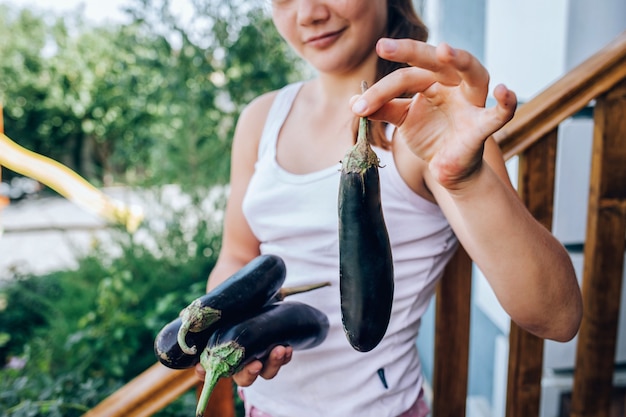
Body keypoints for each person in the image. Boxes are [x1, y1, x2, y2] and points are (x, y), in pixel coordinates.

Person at [196, 1, 583, 416]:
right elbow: (237, 256)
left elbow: (557, 317)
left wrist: (469, 182)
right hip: (260, 407)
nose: (308, 13)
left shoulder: (431, 122)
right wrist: (230, 330)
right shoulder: (260, 118)